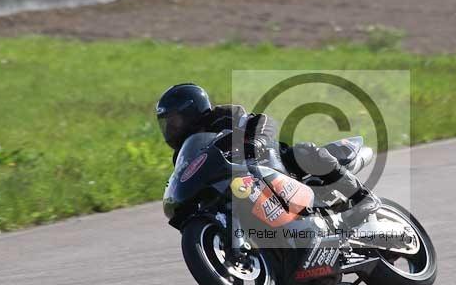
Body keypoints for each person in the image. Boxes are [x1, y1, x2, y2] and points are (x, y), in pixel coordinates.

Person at [155, 83, 379, 225]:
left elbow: (262, 121)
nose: (170, 129)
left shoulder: (223, 116)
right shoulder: (183, 154)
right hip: (240, 186)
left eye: (174, 121)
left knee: (303, 150)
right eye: (166, 124)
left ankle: (362, 198)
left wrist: (258, 141)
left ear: (191, 111)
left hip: (271, 162)